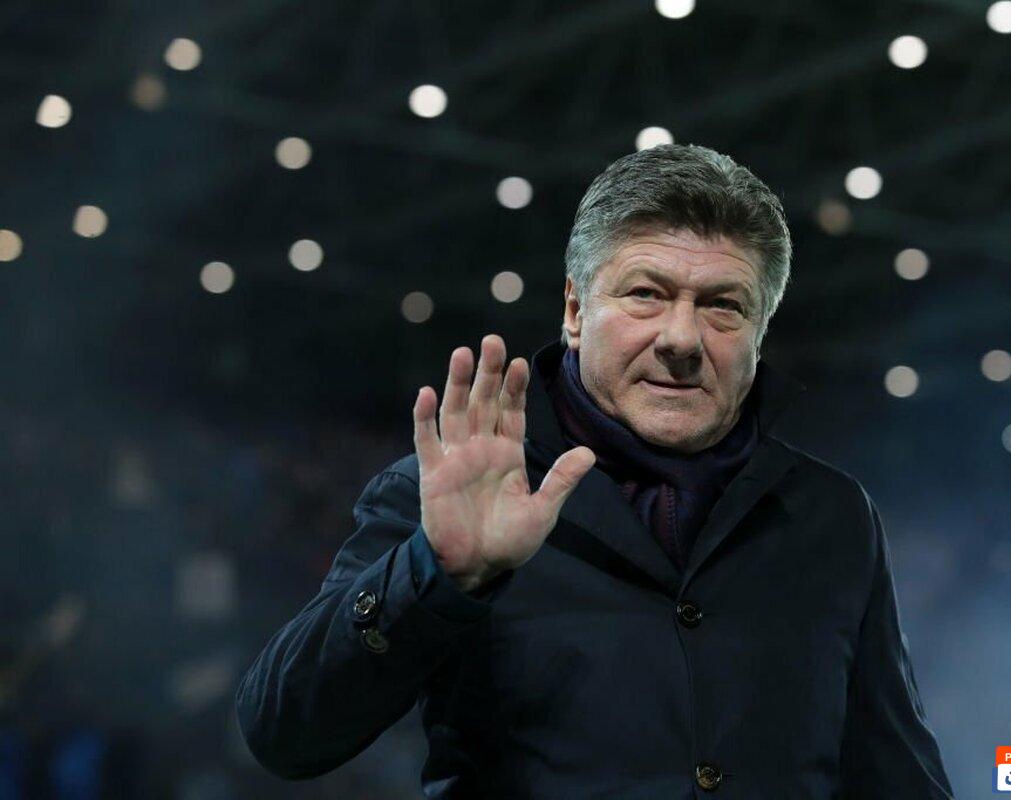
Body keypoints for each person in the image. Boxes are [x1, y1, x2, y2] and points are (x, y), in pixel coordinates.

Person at [234, 143, 955, 798]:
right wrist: (434, 574)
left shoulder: (831, 514)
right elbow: (283, 734)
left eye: (723, 306)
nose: (681, 338)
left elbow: (896, 774)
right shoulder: (447, 494)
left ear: (758, 334)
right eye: (646, 294)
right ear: (576, 311)